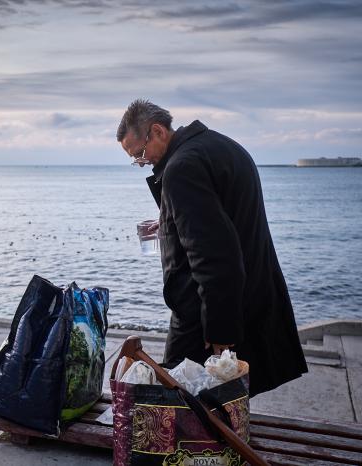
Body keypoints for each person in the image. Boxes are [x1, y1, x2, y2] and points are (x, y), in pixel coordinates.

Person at [116, 99, 307, 396]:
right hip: (246, 296)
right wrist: (169, 221)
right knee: (222, 406)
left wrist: (220, 331)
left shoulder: (182, 167)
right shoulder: (218, 145)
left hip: (204, 316)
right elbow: (221, 217)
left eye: (140, 154)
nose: (142, 162)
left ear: (157, 131)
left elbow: (215, 257)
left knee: (182, 404)